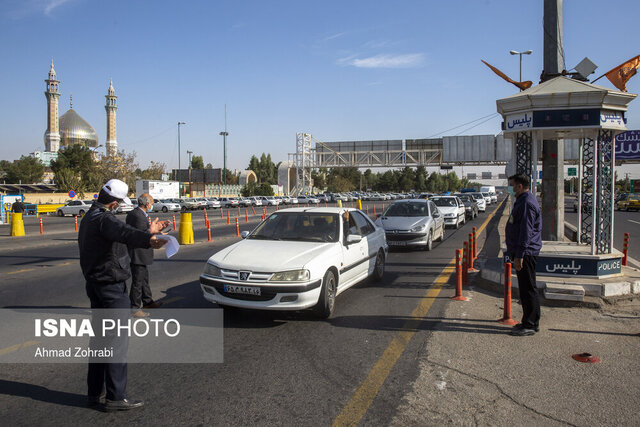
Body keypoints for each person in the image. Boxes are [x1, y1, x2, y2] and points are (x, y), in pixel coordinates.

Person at [78, 179, 169, 411]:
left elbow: (123, 234)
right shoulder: (104, 219)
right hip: (111, 288)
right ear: (114, 203)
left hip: (95, 285)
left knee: (99, 341)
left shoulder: (89, 217)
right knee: (116, 342)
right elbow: (124, 233)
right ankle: (116, 397)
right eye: (119, 204)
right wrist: (149, 239)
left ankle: (94, 393)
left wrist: (146, 232)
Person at [505, 173, 542, 336]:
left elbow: (526, 232)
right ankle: (527, 321)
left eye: (512, 185)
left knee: (528, 288)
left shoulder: (527, 202)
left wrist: (519, 255)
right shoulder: (523, 200)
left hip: (526, 253)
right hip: (524, 251)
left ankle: (531, 324)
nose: (511, 188)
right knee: (525, 288)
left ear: (520, 186)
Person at [127, 193, 162, 318]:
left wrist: (158, 229)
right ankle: (134, 308)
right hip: (138, 253)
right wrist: (152, 233)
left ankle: (148, 301)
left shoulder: (140, 214)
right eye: (152, 203)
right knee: (138, 281)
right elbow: (140, 235)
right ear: (147, 204)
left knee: (144, 280)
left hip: (141, 253)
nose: (152, 205)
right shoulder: (137, 216)